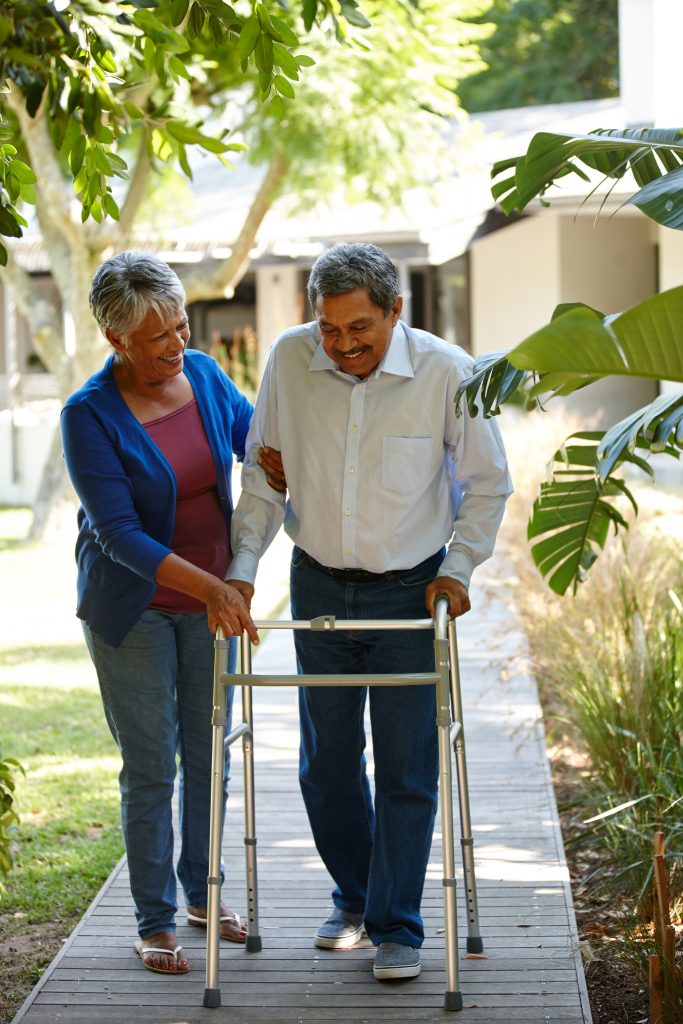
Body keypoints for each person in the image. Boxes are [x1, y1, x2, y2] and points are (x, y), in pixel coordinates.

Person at [226, 242, 513, 981]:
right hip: (318, 582)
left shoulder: (449, 372)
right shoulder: (290, 362)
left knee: (407, 764)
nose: (344, 345)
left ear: (396, 311)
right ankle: (355, 896)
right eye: (330, 329)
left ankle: (396, 926)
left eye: (361, 328)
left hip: (408, 590)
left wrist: (457, 569)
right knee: (324, 766)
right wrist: (243, 569)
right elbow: (263, 478)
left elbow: (486, 483)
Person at [60, 251, 283, 976]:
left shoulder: (208, 378)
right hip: (135, 608)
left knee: (208, 755)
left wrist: (276, 458)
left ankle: (201, 893)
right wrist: (212, 587)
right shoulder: (88, 415)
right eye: (157, 338)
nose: (175, 346)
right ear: (116, 340)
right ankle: (154, 920)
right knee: (153, 766)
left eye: (180, 327)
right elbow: (118, 533)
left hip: (210, 602)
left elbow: (254, 440)